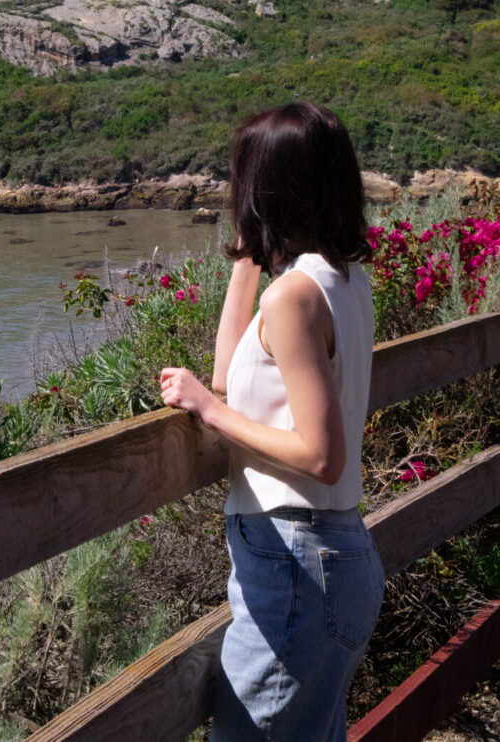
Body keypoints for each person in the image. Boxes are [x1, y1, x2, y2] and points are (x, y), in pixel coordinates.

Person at [160, 102, 383, 742]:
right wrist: (245, 259)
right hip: (327, 554)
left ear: (263, 187)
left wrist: (208, 410)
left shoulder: (295, 296)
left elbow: (320, 454)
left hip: (295, 562)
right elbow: (232, 377)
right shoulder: (340, 280)